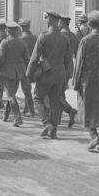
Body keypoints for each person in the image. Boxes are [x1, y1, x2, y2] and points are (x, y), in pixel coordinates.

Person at [73, 11, 99, 153]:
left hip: (88, 81)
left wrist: (76, 82)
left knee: (86, 108)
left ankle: (94, 136)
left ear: (90, 24)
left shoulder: (86, 40)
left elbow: (79, 63)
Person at [27, 10, 72, 139]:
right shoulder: (65, 38)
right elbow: (68, 58)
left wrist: (29, 75)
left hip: (46, 74)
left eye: (47, 18)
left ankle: (46, 123)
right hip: (60, 74)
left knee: (37, 98)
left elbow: (34, 59)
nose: (46, 20)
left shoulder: (44, 36)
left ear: (50, 20)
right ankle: (54, 130)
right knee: (55, 102)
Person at [0, 22, 30, 127]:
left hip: (6, 72)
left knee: (10, 95)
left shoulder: (5, 42)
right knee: (12, 94)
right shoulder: (22, 43)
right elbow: (27, 59)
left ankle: (17, 117)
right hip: (18, 72)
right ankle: (5, 114)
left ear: (8, 31)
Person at [59, 15, 78, 128]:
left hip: (60, 65)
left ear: (61, 23)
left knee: (55, 92)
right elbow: (76, 53)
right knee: (61, 92)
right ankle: (59, 117)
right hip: (69, 66)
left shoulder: (61, 35)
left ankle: (69, 110)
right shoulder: (74, 36)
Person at [19, 18, 37, 116]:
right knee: (27, 88)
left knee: (26, 89)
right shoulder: (35, 37)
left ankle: (31, 110)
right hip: (33, 65)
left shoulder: (21, 39)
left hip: (24, 66)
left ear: (22, 27)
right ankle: (26, 108)